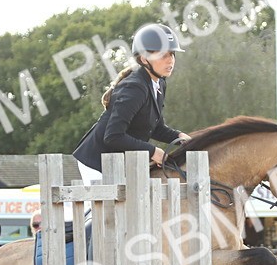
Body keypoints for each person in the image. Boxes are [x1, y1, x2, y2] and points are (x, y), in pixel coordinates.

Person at [72, 23, 191, 185]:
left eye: (172, 54)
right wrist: (153, 151)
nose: (170, 60)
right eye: (163, 55)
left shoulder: (159, 83)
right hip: (96, 163)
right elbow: (113, 136)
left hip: (119, 164)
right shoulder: (135, 87)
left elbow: (154, 127)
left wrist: (178, 136)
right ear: (144, 59)